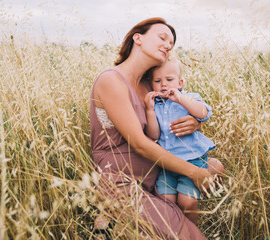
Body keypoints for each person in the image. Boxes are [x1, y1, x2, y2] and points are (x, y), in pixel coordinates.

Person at [90, 17, 214, 239]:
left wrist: (196, 122)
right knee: (192, 237)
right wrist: (194, 172)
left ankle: (117, 224)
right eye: (162, 37)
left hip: (156, 177)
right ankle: (109, 219)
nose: (168, 45)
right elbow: (140, 143)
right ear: (138, 38)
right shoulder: (112, 80)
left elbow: (177, 113)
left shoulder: (152, 85)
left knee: (215, 165)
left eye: (171, 44)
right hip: (123, 183)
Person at [144, 56, 224, 224]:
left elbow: (203, 113)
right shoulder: (156, 105)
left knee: (187, 201)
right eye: (157, 81)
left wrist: (180, 98)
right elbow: (153, 136)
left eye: (169, 79)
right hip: (168, 164)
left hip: (193, 161)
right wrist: (150, 111)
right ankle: (176, 229)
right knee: (167, 201)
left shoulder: (189, 98)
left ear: (180, 83)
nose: (164, 84)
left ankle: (193, 230)